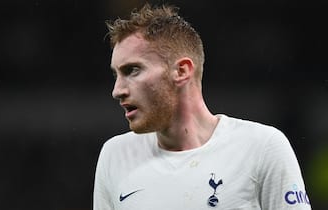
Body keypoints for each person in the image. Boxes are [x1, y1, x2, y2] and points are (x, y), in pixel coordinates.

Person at [93, 3, 311, 210]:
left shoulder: (262, 148)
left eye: (132, 70)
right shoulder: (115, 155)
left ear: (181, 71)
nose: (117, 90)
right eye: (116, 74)